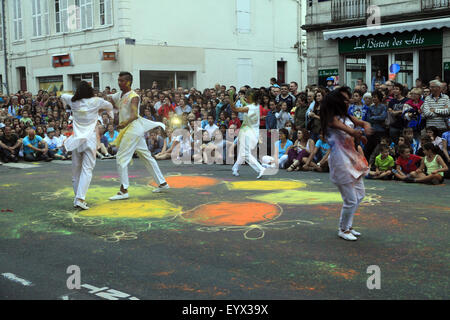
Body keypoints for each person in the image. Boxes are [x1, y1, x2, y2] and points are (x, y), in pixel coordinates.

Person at [320, 87, 373, 241]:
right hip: (340, 161)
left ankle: (348, 226)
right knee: (350, 199)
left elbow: (360, 123)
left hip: (352, 158)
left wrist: (365, 126)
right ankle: (343, 229)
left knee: (360, 195)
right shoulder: (331, 118)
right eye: (344, 99)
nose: (347, 101)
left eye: (348, 98)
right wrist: (357, 133)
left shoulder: (346, 115)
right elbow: (350, 131)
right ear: (335, 102)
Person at [107, 72, 170, 200]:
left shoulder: (134, 96)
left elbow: (134, 115)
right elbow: (109, 99)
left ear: (129, 82)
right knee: (146, 156)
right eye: (118, 80)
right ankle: (162, 183)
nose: (119, 83)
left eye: (122, 81)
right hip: (133, 130)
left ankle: (123, 190)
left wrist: (123, 123)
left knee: (121, 158)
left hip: (132, 130)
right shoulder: (119, 94)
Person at [61, 81, 114, 210]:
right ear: (90, 91)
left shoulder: (72, 100)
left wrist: (65, 106)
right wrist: (105, 112)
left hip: (76, 140)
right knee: (87, 170)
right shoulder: (96, 101)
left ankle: (77, 198)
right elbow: (109, 105)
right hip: (89, 139)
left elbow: (62, 96)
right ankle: (80, 198)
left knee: (76, 172)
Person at [229, 89, 265, 178]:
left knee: (245, 153)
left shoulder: (249, 107)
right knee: (243, 151)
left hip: (249, 132)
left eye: (247, 96)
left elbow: (234, 108)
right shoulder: (256, 105)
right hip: (252, 131)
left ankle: (260, 169)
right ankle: (235, 168)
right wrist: (241, 99)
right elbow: (245, 103)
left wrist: (230, 96)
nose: (246, 98)